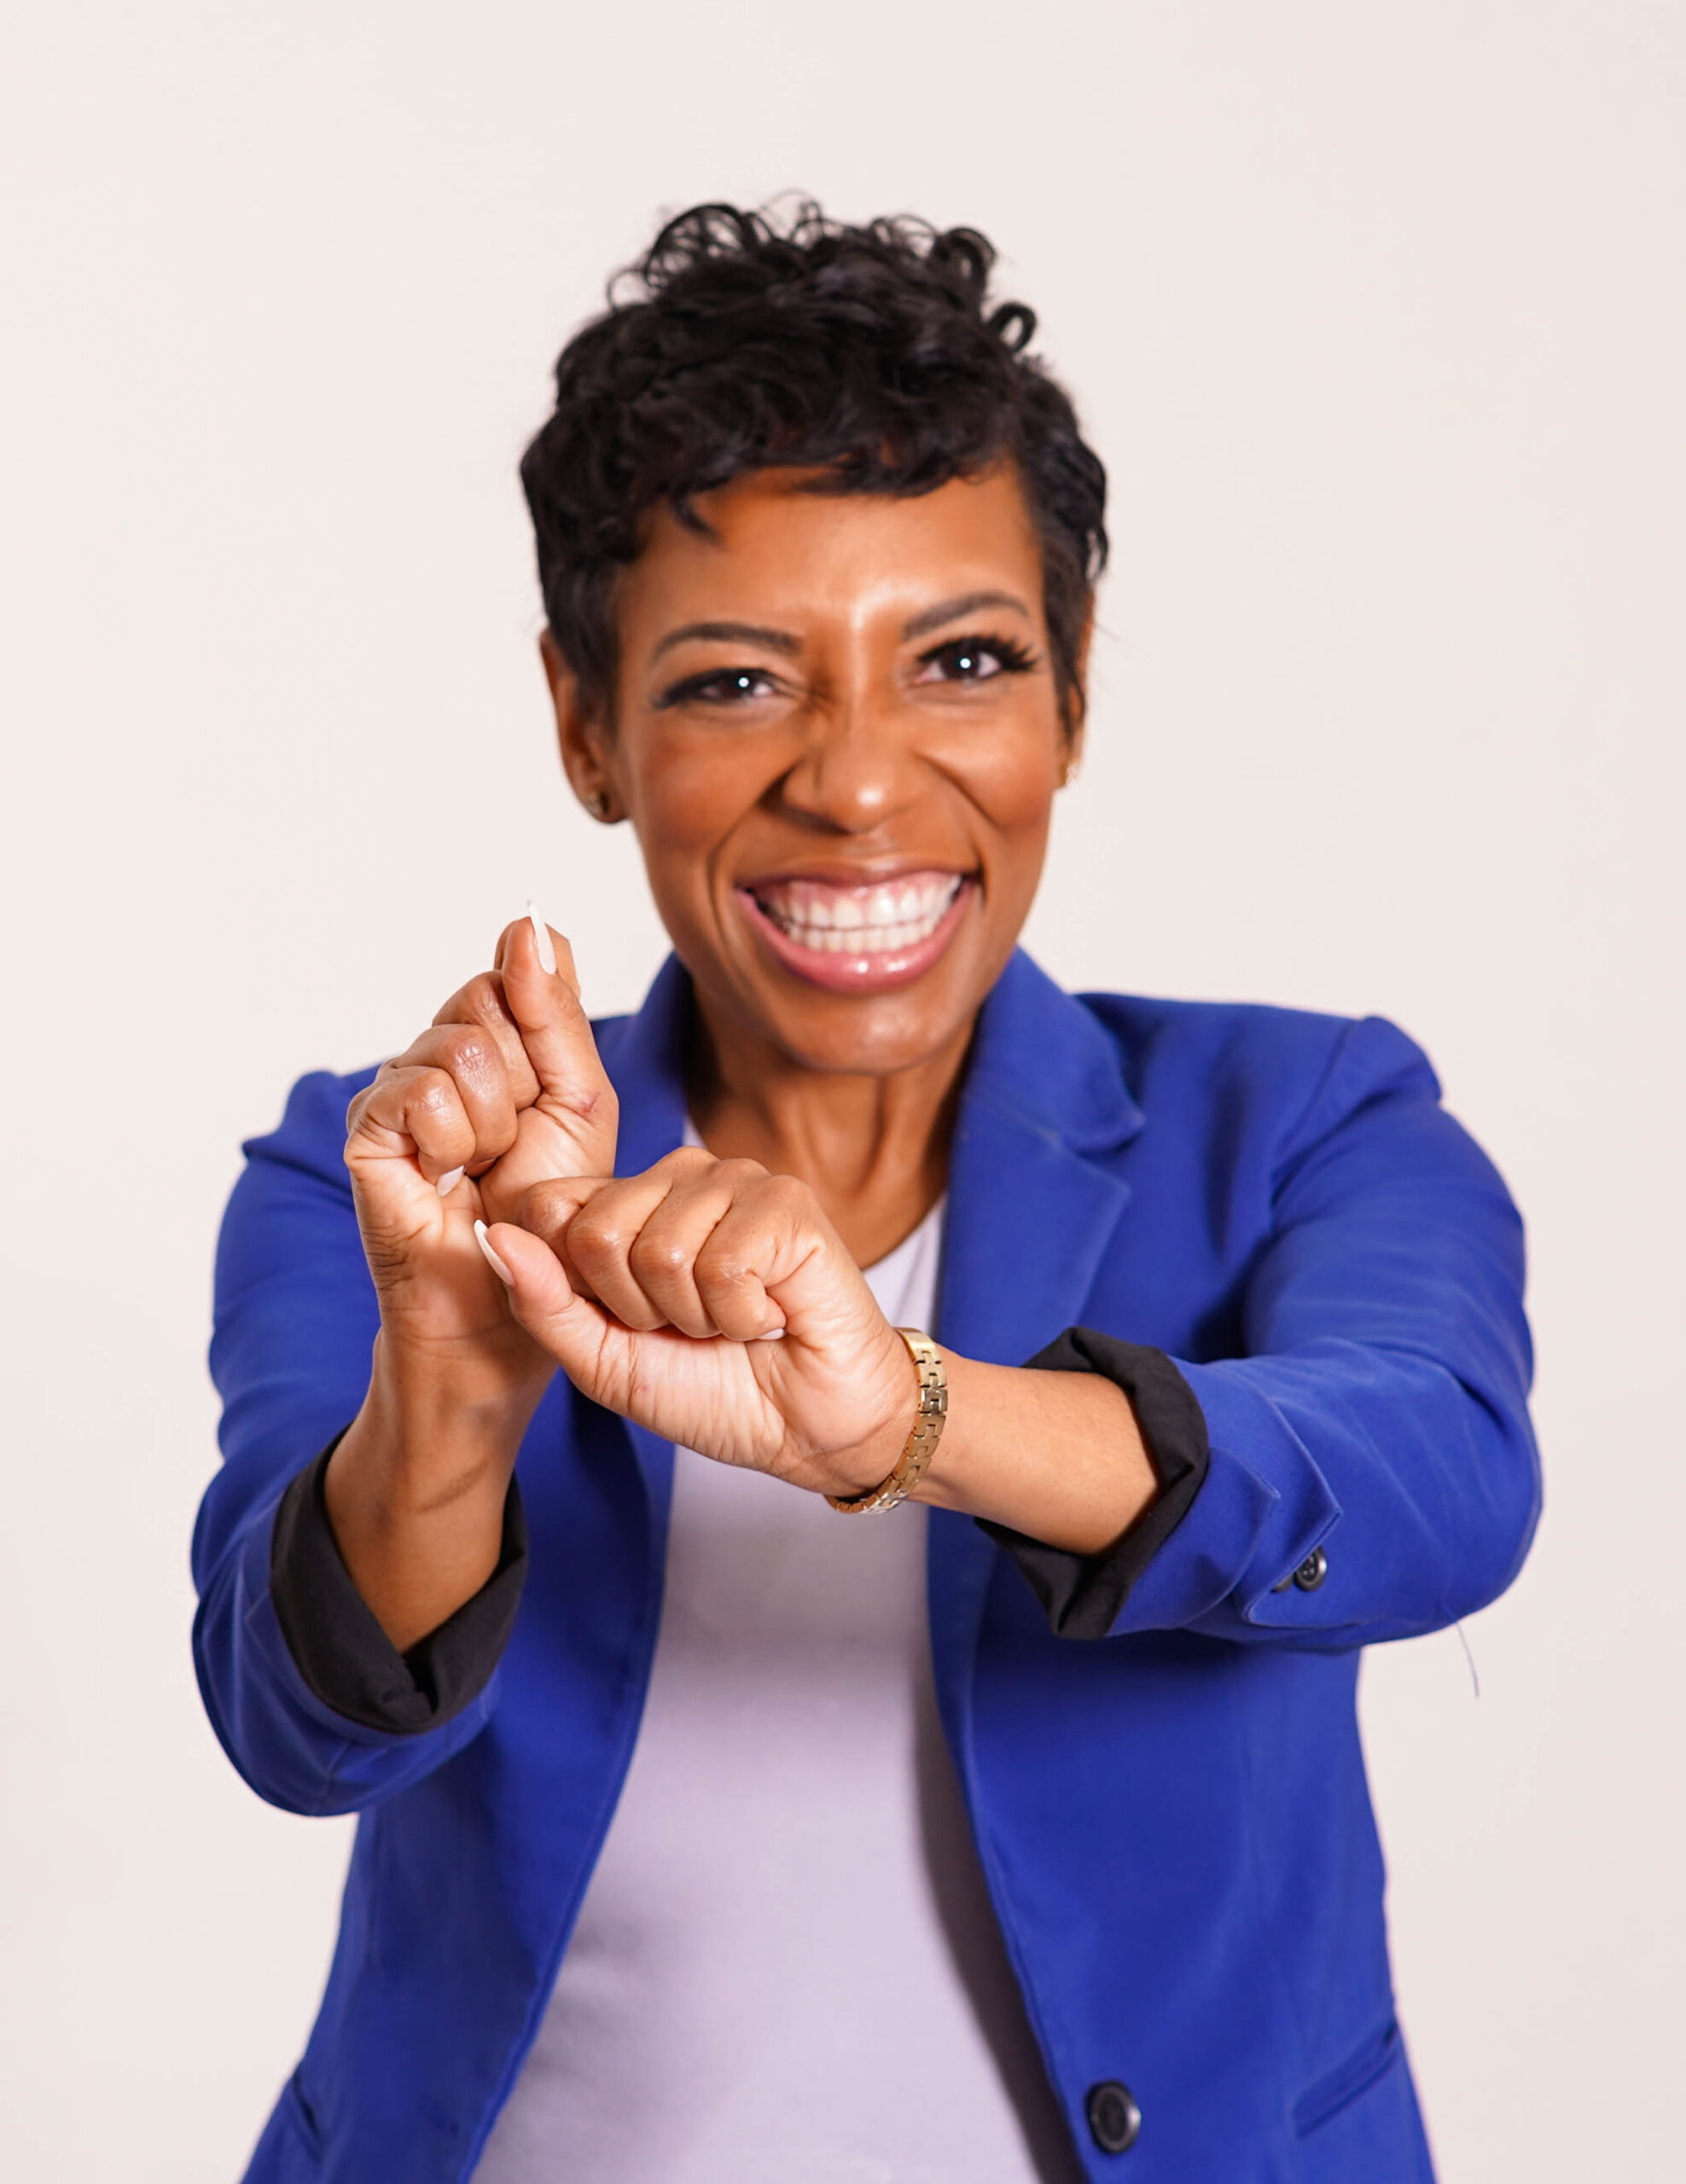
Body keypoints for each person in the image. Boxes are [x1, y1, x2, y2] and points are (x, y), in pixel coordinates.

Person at [193, 203, 1540, 2184]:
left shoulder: (1301, 1112)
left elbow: (1437, 1476)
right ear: (588, 724)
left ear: (1071, 696)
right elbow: (303, 1731)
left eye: (964, 661)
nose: (859, 782)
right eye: (737, 682)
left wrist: (908, 1416)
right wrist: (452, 1400)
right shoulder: (388, 1169)